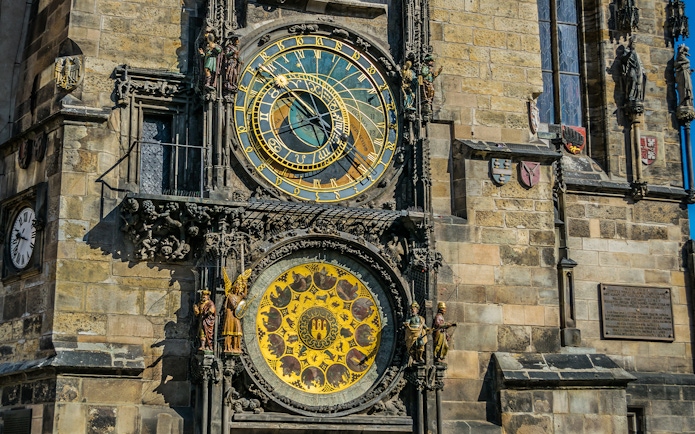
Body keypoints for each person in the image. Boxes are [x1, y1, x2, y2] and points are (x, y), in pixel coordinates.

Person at [223, 269, 251, 353]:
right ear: (233, 288)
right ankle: (228, 348)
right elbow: (235, 307)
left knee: (238, 332)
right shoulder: (230, 296)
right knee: (229, 332)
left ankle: (237, 347)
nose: (237, 289)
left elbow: (244, 295)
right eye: (236, 288)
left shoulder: (239, 296)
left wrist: (245, 286)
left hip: (235, 316)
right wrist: (242, 308)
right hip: (230, 315)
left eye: (239, 288)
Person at [676, 44, 694, 110]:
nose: (686, 53)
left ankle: (687, 102)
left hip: (686, 74)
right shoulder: (681, 57)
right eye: (685, 51)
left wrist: (689, 71)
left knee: (688, 88)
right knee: (684, 88)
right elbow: (679, 64)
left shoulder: (683, 58)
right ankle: (683, 101)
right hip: (682, 75)